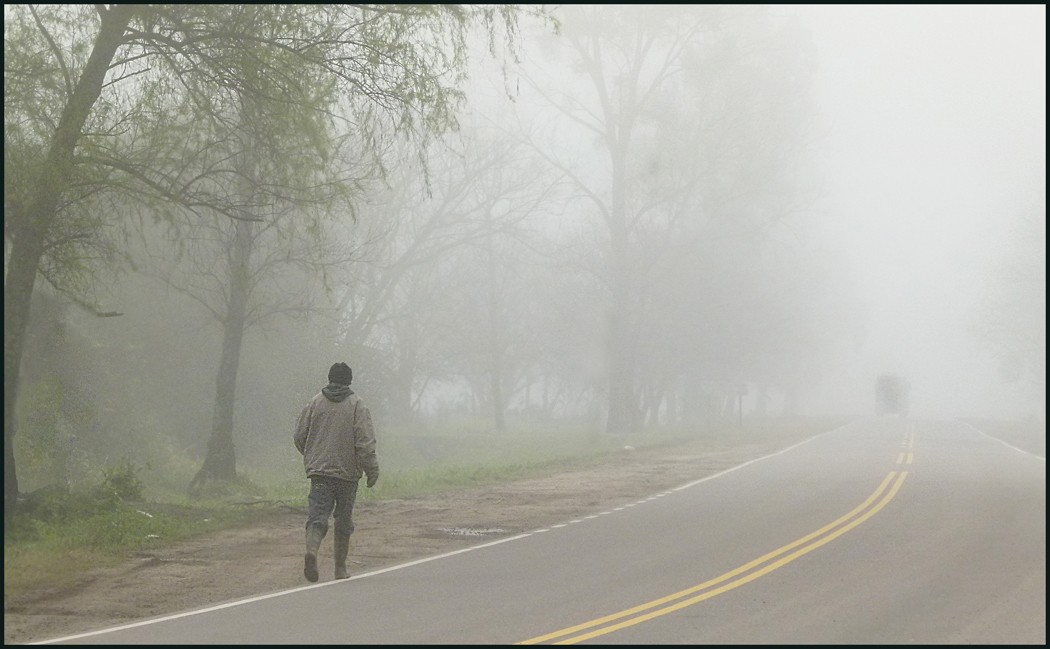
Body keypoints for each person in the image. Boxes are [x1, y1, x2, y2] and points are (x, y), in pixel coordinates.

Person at [293, 362, 379, 582]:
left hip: (320, 473)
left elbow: (299, 435)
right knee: (343, 521)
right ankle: (340, 569)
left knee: (317, 517)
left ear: (329, 378)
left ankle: (312, 551)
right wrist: (371, 469)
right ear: (349, 380)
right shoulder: (357, 405)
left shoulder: (315, 403)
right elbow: (365, 442)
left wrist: (313, 456)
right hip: (347, 475)